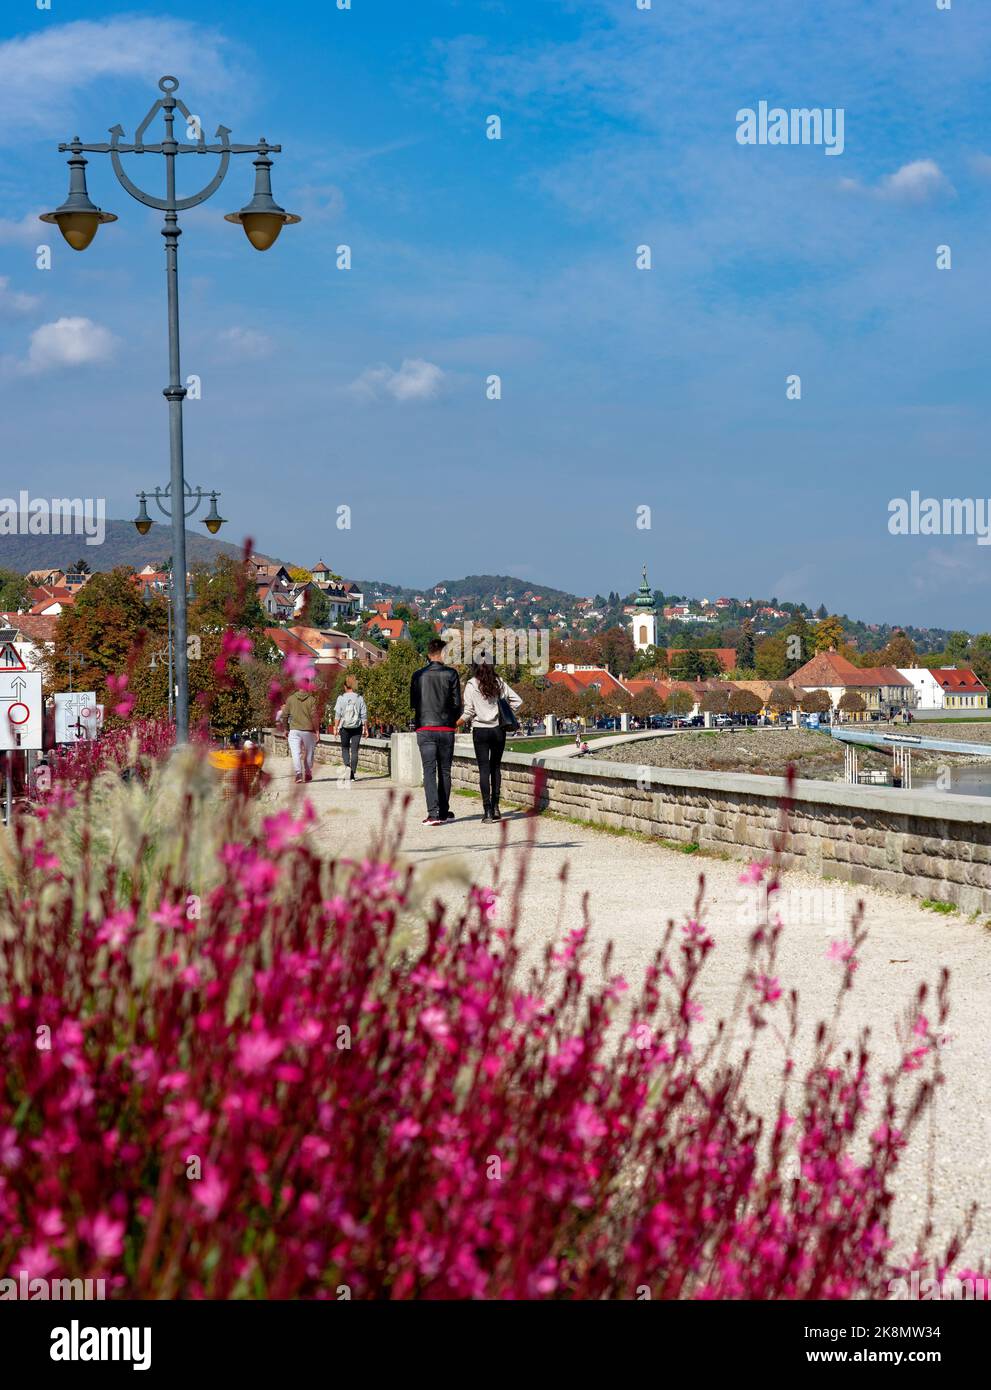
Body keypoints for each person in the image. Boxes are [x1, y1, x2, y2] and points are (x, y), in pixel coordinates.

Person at [457, 659, 522, 822]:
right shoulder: (499, 682)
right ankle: (496, 807)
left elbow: (468, 711)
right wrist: (505, 712)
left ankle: (486, 811)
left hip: (480, 730)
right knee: (496, 768)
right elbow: (518, 701)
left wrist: (456, 723)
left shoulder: (471, 685)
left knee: (484, 769)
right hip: (498, 730)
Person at [410, 638, 463, 826]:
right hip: (446, 727)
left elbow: (413, 704)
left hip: (425, 727)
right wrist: (451, 719)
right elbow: (457, 704)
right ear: (444, 653)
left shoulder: (417, 676)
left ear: (428, 654)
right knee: (445, 771)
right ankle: (443, 811)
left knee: (429, 771)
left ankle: (433, 814)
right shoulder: (451, 674)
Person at [276, 684, 320, 784]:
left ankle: (298, 774)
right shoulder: (312, 700)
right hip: (308, 730)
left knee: (296, 753)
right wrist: (317, 731)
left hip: (294, 730)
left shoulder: (290, 699)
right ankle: (308, 772)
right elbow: (314, 717)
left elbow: (285, 715)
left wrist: (286, 729)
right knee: (309, 753)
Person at [333, 675, 368, 781]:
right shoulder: (359, 698)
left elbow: (337, 714)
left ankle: (347, 767)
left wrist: (335, 728)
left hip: (344, 727)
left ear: (345, 686)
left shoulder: (341, 698)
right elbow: (364, 715)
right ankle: (352, 773)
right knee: (355, 750)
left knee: (345, 749)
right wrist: (365, 728)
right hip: (357, 727)